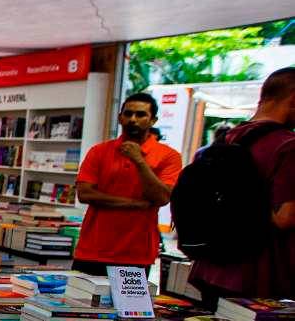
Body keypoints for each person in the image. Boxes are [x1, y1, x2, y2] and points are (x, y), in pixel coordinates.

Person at [189, 67, 295, 299]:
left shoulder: (225, 140)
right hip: (259, 273)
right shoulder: (287, 146)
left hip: (209, 266)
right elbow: (285, 217)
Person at [72, 93, 182, 276]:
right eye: (128, 114)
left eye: (140, 115)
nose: (133, 119)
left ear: (152, 120)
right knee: (79, 303)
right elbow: (85, 194)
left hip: (136, 253)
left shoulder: (169, 156)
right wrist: (135, 204)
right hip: (92, 249)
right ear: (120, 117)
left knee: (128, 306)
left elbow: (162, 197)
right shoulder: (99, 151)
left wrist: (139, 161)